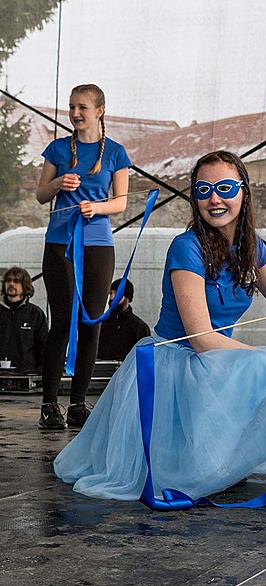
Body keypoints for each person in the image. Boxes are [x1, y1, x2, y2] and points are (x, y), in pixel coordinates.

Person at [54, 151, 266, 502]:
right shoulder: (186, 248)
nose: (214, 198)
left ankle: (229, 458)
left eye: (224, 187)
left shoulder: (253, 248)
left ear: (244, 193)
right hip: (175, 360)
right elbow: (202, 339)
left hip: (214, 361)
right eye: (204, 190)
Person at [36, 83, 131, 431]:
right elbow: (39, 194)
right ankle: (49, 405)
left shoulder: (117, 152)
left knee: (92, 321)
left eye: (83, 108)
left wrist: (98, 206)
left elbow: (121, 202)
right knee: (62, 321)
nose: (76, 113)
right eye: (72, 107)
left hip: (98, 243)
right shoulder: (58, 148)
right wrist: (59, 182)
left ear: (99, 111)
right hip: (60, 242)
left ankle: (77, 404)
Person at [0, 267, 48, 373]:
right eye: (8, 280)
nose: (11, 284)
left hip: (27, 375)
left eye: (16, 281)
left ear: (25, 285)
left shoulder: (35, 314)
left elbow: (44, 347)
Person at [97, 278, 150, 361]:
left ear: (127, 297)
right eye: (111, 293)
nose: (112, 298)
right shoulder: (101, 324)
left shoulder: (139, 327)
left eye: (117, 293)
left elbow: (145, 360)